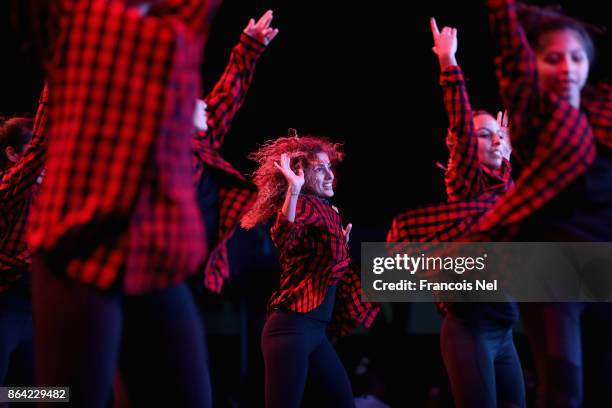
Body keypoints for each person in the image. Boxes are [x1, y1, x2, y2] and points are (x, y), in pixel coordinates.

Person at [26, 1, 214, 406]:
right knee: (56, 396)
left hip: (153, 256)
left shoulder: (175, 32)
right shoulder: (77, 20)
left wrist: (248, 48)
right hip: (77, 255)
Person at [474, 1, 612, 406]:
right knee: (563, 390)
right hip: (552, 265)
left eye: (576, 58)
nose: (568, 68)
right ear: (534, 64)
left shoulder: (603, 113)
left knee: (604, 387)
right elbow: (510, 51)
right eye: (553, 59)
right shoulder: (533, 110)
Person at [241, 133, 379, 408]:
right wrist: (294, 190)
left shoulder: (327, 211)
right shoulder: (306, 203)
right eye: (320, 168)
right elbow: (284, 236)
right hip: (291, 329)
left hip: (314, 332)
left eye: (330, 167)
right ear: (301, 174)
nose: (329, 175)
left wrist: (339, 248)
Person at [0, 93, 47, 386]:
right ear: (13, 154)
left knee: (53, 395)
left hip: (37, 313)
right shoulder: (7, 187)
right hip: (5, 308)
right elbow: (42, 148)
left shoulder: (52, 196)